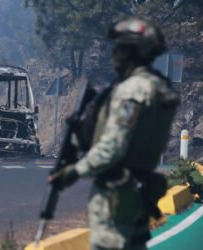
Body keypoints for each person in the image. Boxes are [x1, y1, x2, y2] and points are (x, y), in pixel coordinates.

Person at [49, 17, 180, 250]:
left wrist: (73, 171)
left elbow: (113, 147)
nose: (115, 55)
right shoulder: (160, 88)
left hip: (117, 196)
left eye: (119, 48)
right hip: (141, 191)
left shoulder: (132, 91)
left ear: (131, 51)